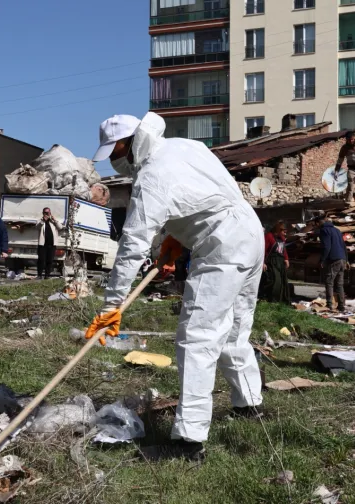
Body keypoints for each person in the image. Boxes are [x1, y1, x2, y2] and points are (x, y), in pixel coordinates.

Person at [85, 112, 265, 461]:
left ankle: (188, 442)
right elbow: (205, 196)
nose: (113, 159)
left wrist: (111, 307)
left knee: (198, 337)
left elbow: (132, 246)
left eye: (114, 150)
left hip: (222, 246)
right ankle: (249, 405)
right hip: (249, 233)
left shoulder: (152, 178)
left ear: (130, 142)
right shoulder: (184, 147)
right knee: (235, 330)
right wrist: (175, 238)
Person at [315, 214, 347, 312]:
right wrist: (346, 260)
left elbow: (326, 246)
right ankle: (341, 306)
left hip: (334, 259)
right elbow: (344, 246)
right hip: (342, 259)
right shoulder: (337, 230)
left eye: (316, 224)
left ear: (319, 222)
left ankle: (329, 305)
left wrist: (322, 260)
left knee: (329, 282)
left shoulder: (324, 230)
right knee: (340, 284)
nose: (317, 226)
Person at [259, 222, 290, 303]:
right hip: (271, 262)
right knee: (275, 281)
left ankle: (280, 300)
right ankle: (272, 300)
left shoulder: (282, 238)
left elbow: (283, 249)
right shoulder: (269, 236)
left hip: (280, 261)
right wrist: (262, 262)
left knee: (282, 282)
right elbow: (263, 249)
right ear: (278, 229)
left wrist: (286, 259)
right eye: (284, 231)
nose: (285, 233)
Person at [36, 207, 63, 280]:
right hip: (43, 244)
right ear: (43, 213)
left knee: (50, 260)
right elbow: (37, 227)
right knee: (41, 260)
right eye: (45, 213)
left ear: (50, 213)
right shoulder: (40, 221)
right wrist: (43, 221)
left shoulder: (53, 221)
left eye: (48, 213)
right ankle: (39, 275)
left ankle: (47, 275)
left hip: (52, 244)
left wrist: (54, 220)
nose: (46, 214)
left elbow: (60, 227)